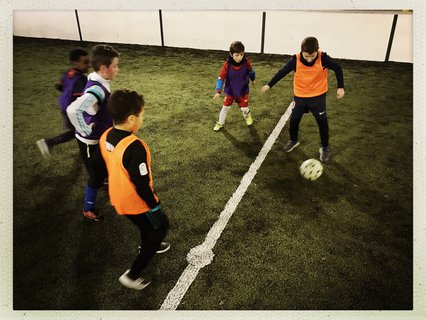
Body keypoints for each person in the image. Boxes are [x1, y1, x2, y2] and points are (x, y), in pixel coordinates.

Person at [93, 89, 170, 290]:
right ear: (130, 119)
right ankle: (132, 275)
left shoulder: (106, 135)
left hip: (117, 196)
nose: (143, 119)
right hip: (135, 201)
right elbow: (141, 183)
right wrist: (154, 205)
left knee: (146, 227)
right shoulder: (135, 146)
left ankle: (146, 245)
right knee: (161, 226)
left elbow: (99, 166)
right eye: (142, 116)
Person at [261, 36, 345, 162]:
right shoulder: (296, 59)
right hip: (300, 96)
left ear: (318, 50)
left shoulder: (323, 58)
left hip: (318, 96)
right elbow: (283, 72)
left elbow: (338, 68)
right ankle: (293, 140)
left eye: (312, 56)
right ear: (301, 52)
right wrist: (269, 84)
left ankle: (325, 148)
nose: (310, 59)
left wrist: (341, 87)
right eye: (306, 56)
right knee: (294, 120)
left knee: (322, 122)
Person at [67, 44, 120, 221]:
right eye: (115, 66)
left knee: (102, 167)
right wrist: (84, 129)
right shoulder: (97, 89)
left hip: (98, 138)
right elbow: (73, 110)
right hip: (90, 142)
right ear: (104, 68)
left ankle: (102, 183)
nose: (117, 69)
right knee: (95, 176)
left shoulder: (100, 81)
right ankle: (88, 209)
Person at [36, 49, 90, 158]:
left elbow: (58, 85)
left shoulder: (68, 72)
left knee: (77, 130)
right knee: (78, 131)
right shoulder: (81, 79)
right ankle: (48, 142)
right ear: (76, 63)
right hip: (71, 109)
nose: (88, 65)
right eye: (85, 62)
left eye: (88, 62)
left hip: (63, 105)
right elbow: (82, 99)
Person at [213, 41, 256, 131]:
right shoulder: (227, 65)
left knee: (244, 109)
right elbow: (221, 78)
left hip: (242, 91)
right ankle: (220, 123)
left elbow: (251, 71)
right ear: (231, 54)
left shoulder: (246, 62)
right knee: (225, 108)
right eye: (237, 55)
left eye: (241, 54)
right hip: (230, 92)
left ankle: (248, 117)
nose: (240, 57)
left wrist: (253, 79)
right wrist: (218, 91)